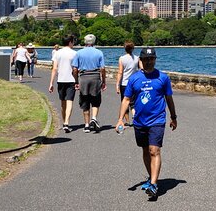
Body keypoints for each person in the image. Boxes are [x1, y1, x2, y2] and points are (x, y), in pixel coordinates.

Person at [116, 47, 177, 199]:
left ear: (155, 60)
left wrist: (174, 117)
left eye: (152, 59)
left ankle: (154, 184)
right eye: (146, 59)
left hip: (157, 120)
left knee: (154, 151)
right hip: (139, 121)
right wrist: (120, 119)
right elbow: (126, 99)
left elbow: (169, 99)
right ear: (141, 61)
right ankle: (151, 178)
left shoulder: (163, 78)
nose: (149, 62)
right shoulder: (134, 79)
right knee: (145, 151)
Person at [72, 34, 106, 133]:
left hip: (83, 77)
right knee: (96, 100)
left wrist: (76, 81)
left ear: (85, 42)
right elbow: (102, 68)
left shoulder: (79, 53)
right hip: (95, 77)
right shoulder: (99, 53)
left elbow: (75, 69)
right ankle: (94, 118)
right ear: (94, 42)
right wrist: (103, 81)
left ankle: (86, 125)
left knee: (84, 100)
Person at [49, 35, 78, 132]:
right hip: (71, 80)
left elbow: (54, 69)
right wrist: (77, 80)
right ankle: (66, 122)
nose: (73, 43)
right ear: (70, 42)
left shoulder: (57, 53)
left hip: (60, 80)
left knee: (63, 103)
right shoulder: (74, 53)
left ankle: (64, 122)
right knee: (69, 101)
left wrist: (51, 83)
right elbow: (75, 69)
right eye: (73, 41)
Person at [116, 41, 140, 126]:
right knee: (133, 102)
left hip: (125, 83)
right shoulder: (137, 58)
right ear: (133, 49)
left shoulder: (122, 59)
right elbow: (141, 70)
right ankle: (135, 115)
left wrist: (117, 84)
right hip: (135, 83)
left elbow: (120, 72)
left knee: (125, 101)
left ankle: (127, 121)